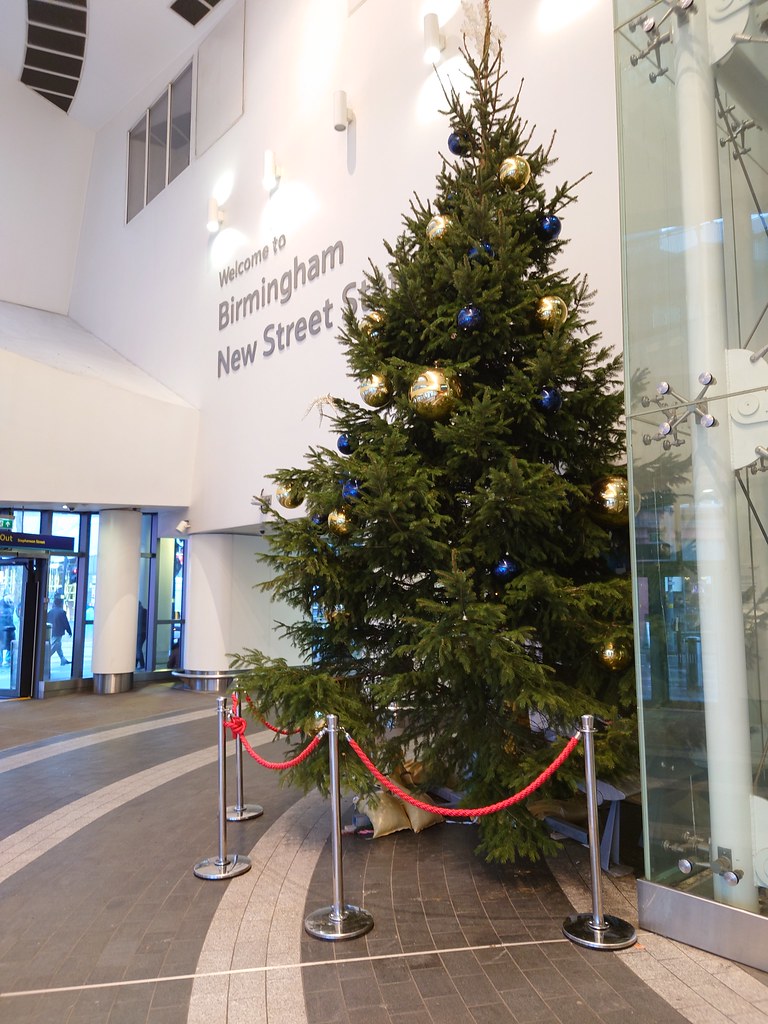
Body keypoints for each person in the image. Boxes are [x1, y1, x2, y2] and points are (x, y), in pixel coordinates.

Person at [47, 596, 72, 666]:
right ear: (61, 603)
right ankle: (46, 658)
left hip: (51, 631)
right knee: (55, 645)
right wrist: (69, 631)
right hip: (58, 631)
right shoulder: (62, 612)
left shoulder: (50, 611)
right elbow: (65, 623)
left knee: (58, 646)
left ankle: (63, 659)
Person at [0, 594, 15, 666]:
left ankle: (7, 660)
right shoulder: (7, 605)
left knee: (9, 645)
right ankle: (5, 660)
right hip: (3, 628)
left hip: (8, 628)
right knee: (3, 644)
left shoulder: (10, 605)